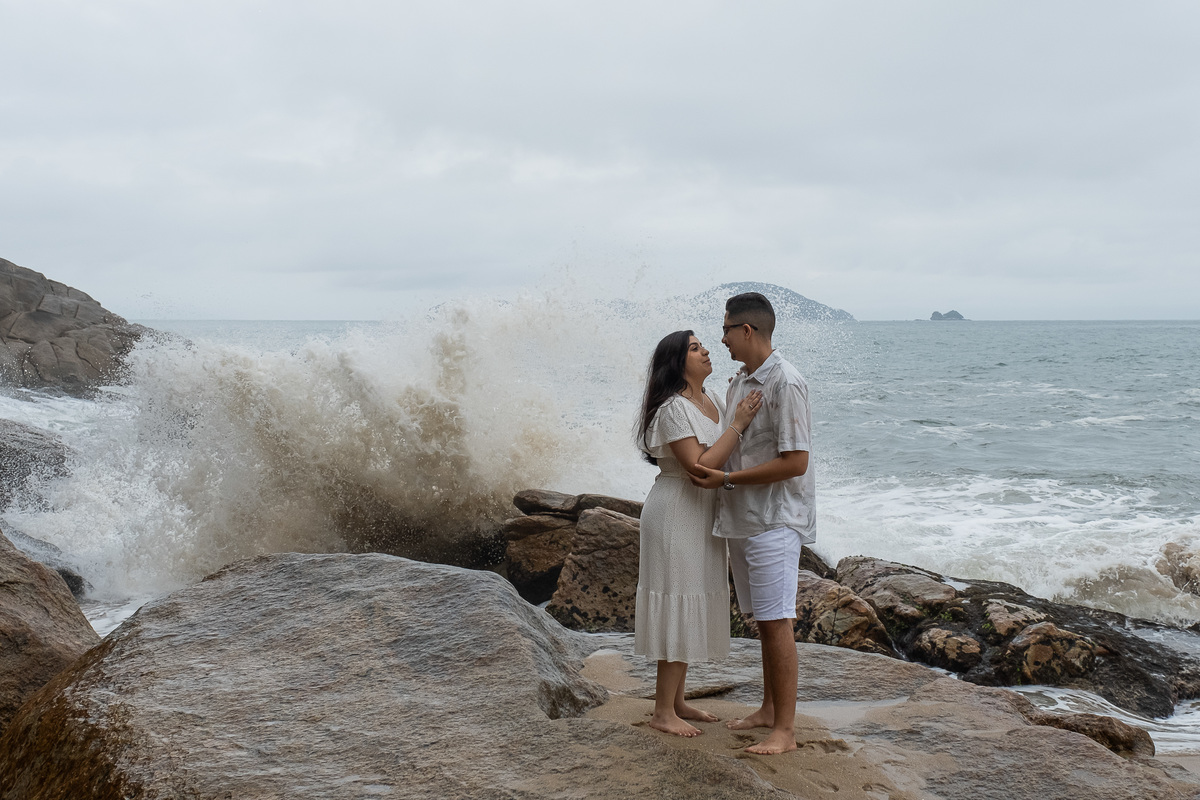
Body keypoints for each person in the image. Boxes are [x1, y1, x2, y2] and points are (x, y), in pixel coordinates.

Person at [691, 292, 814, 755]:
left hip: (775, 520)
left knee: (778, 620)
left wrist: (727, 479)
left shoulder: (786, 382)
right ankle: (767, 709)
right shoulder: (740, 382)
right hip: (743, 517)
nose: (720, 339)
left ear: (747, 330)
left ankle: (785, 730)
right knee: (763, 620)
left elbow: (796, 462)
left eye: (725, 329)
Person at [635, 329, 763, 738]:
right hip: (676, 511)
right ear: (678, 362)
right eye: (695, 348)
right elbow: (699, 467)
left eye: (704, 344)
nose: (707, 350)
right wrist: (739, 423)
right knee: (677, 600)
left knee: (687, 599)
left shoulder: (710, 400)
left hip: (704, 514)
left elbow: (723, 451)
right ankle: (661, 711)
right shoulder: (674, 407)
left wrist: (737, 412)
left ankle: (676, 700)